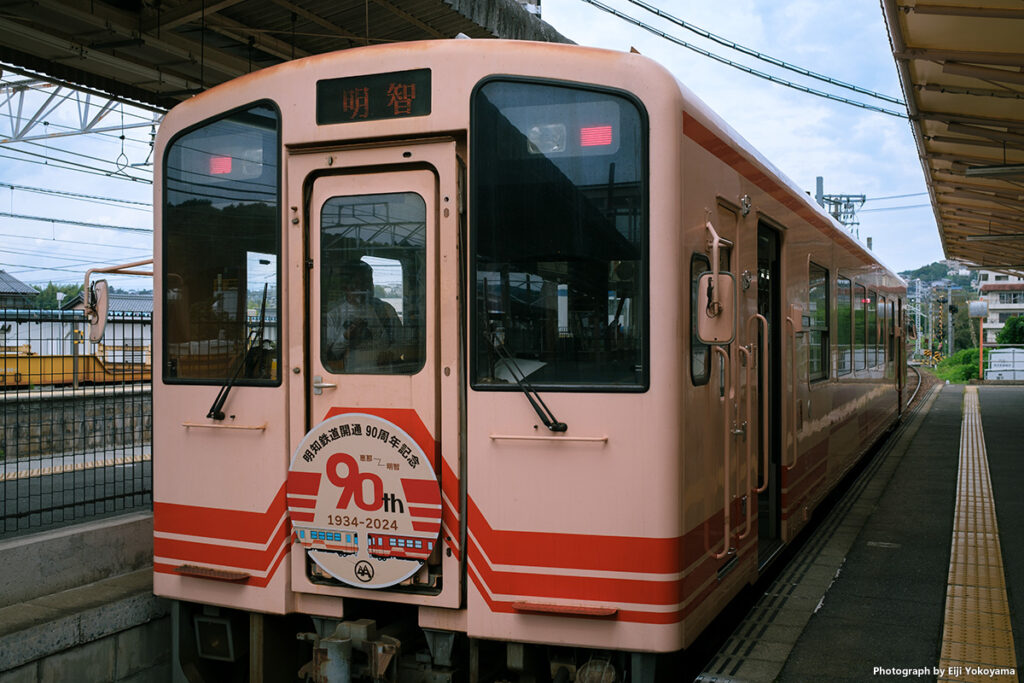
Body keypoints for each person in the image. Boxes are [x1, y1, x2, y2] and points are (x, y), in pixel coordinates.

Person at [324, 260, 402, 371]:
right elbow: (329, 356)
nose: (366, 289)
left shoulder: (385, 310)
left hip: (385, 375)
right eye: (359, 284)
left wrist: (391, 353)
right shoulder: (333, 316)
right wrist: (346, 337)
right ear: (346, 287)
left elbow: (402, 342)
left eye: (369, 282)